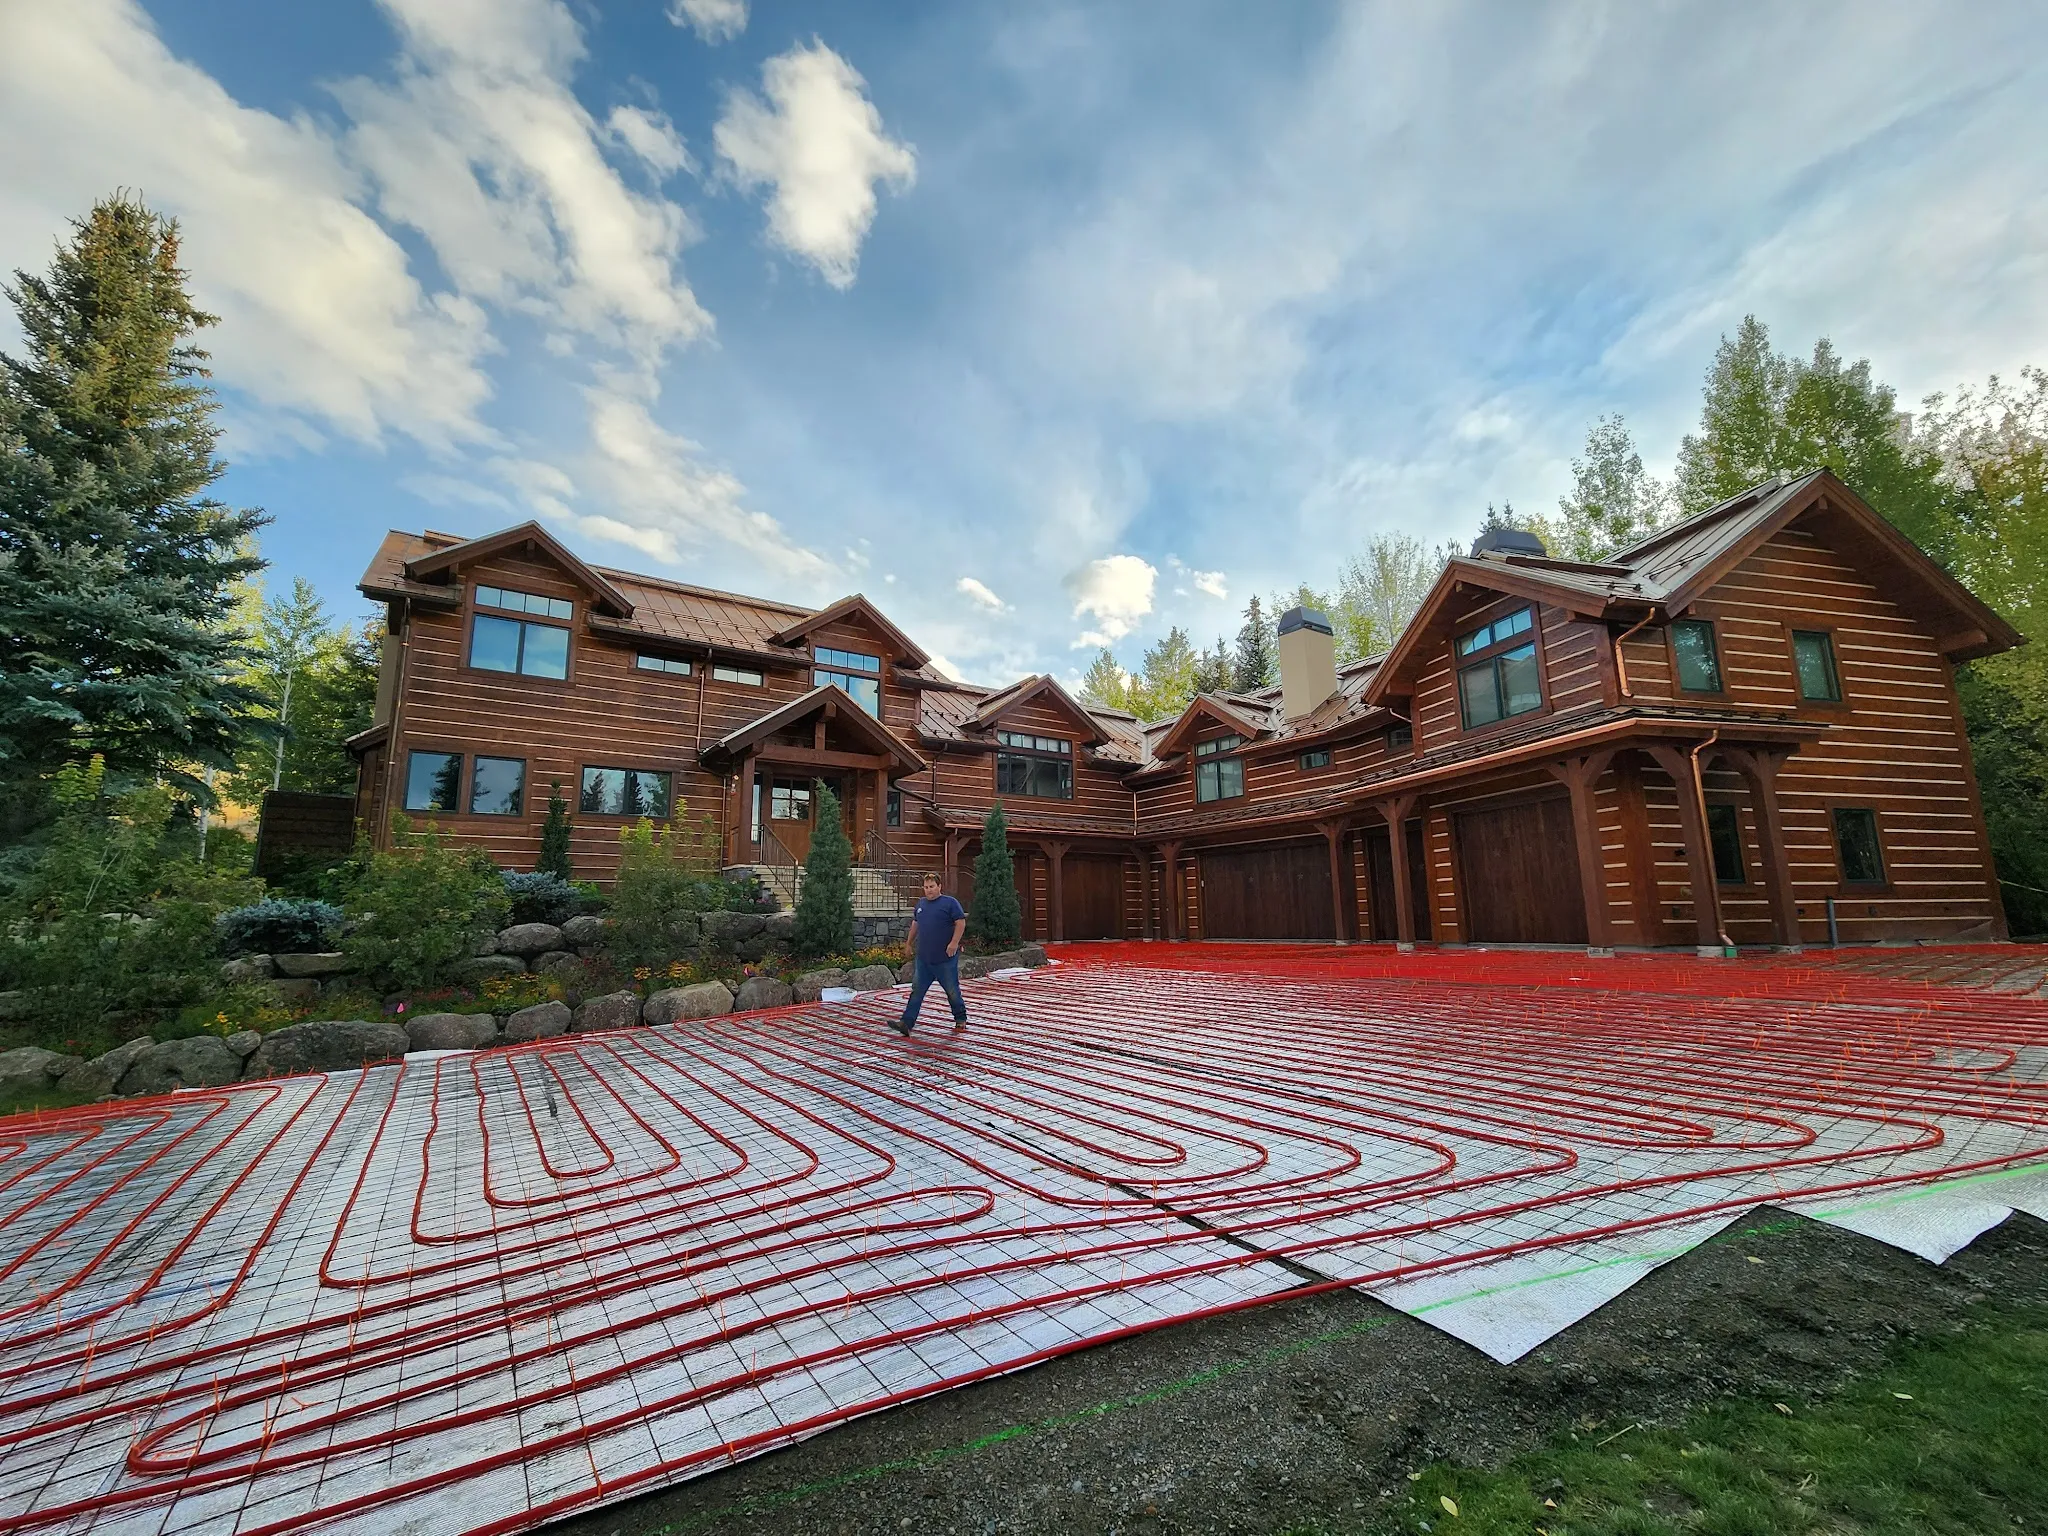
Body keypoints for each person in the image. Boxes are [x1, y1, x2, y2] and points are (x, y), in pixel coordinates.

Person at [896, 871, 968, 1036]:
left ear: (939, 886)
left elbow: (960, 922)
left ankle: (960, 1018)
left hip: (945, 958)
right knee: (916, 991)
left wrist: (954, 943)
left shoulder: (950, 903)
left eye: (932, 886)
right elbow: (916, 924)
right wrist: (908, 943)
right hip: (924, 958)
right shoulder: (921, 904)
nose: (929, 890)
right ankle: (906, 1023)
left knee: (952, 990)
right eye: (926, 887)